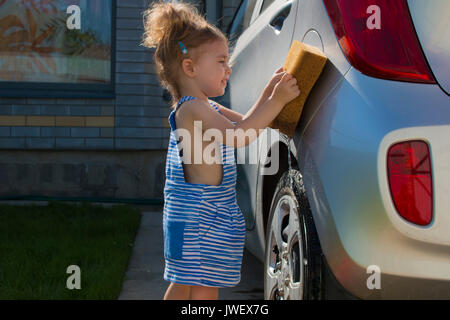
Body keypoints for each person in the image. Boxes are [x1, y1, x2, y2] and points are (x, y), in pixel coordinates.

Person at [142, 0, 300, 300]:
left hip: (211, 213)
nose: (229, 68)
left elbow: (246, 122)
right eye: (221, 61)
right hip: (195, 217)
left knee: (201, 283)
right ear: (189, 67)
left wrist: (269, 93)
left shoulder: (206, 106)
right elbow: (240, 136)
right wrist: (277, 101)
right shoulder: (191, 110)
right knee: (190, 284)